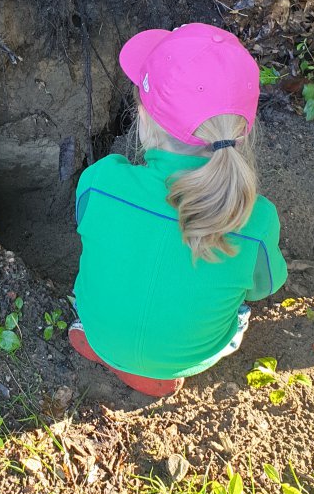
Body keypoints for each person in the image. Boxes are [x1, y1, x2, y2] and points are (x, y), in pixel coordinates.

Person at [69, 23, 288, 397]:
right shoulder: (257, 221)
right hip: (186, 356)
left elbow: (85, 222)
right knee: (238, 312)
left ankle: (99, 340)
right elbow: (263, 287)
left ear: (142, 116)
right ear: (243, 131)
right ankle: (160, 367)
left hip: (101, 330)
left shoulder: (100, 181)